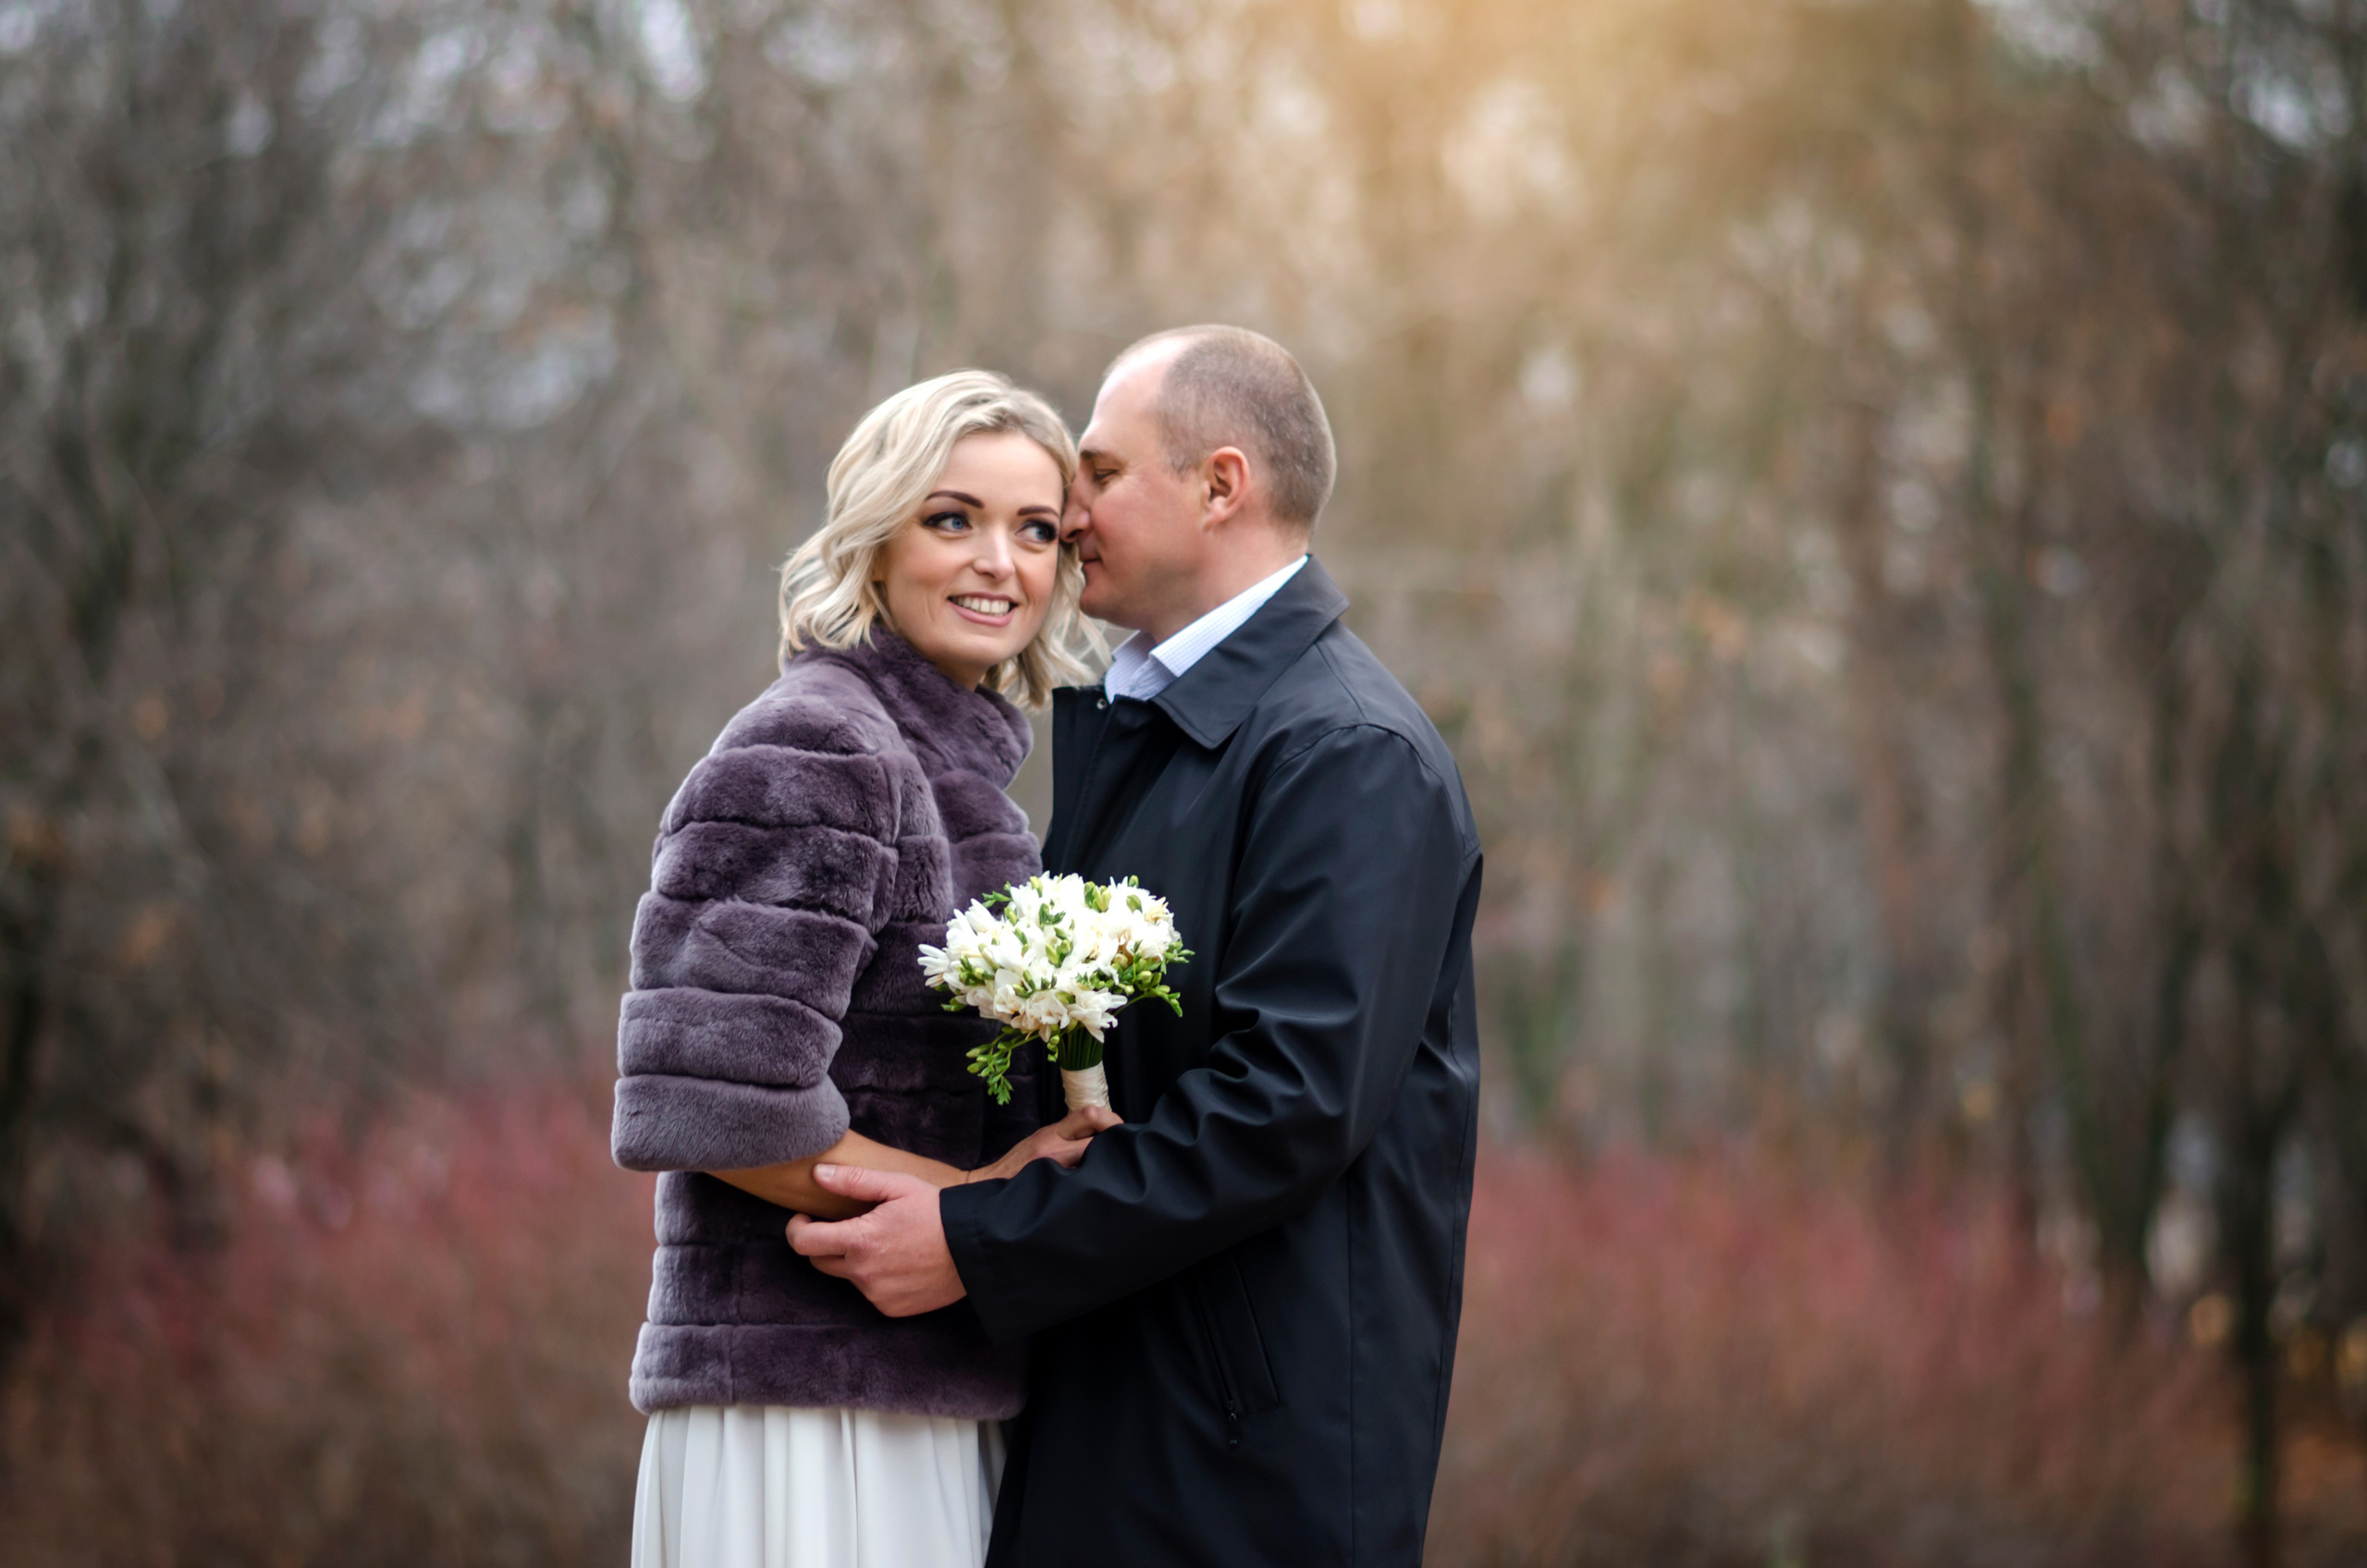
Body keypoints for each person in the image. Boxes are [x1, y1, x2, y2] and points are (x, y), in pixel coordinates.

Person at [788, 326, 1485, 1568]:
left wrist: (978, 1243)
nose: (1068, 509)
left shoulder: (1343, 755)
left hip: (1243, 1459)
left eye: (1099, 474)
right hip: (1111, 1403)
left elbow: (1285, 1108)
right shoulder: (1153, 730)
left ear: (1221, 486)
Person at [609, 369, 1119, 1568]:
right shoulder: (819, 744)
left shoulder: (958, 776)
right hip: (801, 1402)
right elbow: (719, 1105)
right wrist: (984, 1207)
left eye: (1035, 529)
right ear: (875, 542)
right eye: (953, 519)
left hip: (929, 1390)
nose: (1001, 561)